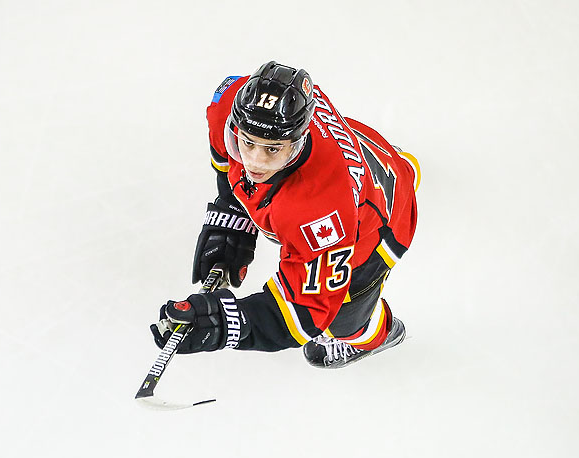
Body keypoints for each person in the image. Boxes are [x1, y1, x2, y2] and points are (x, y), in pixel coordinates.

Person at [150, 61, 420, 368]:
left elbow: (304, 315)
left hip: (378, 224)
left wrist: (223, 325)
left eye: (272, 149)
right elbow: (228, 148)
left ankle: (379, 333)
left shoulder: (321, 211)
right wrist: (233, 209)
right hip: (367, 152)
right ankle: (398, 164)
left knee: (342, 318)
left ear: (296, 141)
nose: (254, 161)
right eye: (247, 143)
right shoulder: (232, 106)